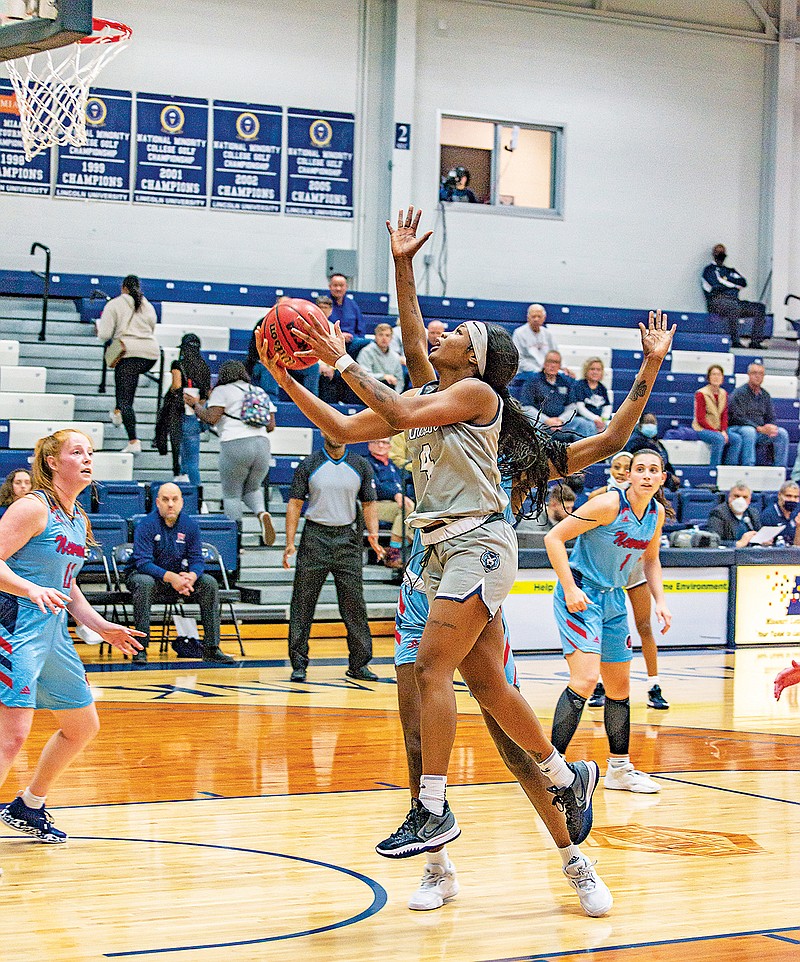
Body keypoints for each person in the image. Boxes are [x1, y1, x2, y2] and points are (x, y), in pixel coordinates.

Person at [257, 205, 675, 857]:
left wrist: (649, 368)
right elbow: (345, 427)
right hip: (438, 555)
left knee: (430, 671)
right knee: (485, 686)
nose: (444, 333)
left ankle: (434, 810)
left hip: (477, 546)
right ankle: (571, 775)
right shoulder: (431, 399)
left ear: (475, 359)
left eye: (461, 332)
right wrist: (292, 377)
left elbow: (614, 437)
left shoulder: (477, 396)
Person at [0, 430, 143, 847]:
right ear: (50, 462)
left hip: (53, 633)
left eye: (90, 452)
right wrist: (28, 589)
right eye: (76, 452)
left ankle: (29, 805)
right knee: (12, 736)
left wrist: (101, 626)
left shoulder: (77, 517)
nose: (87, 459)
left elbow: (68, 585)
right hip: (15, 627)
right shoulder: (31, 507)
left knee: (82, 726)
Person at [545, 449, 673, 793]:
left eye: (653, 470)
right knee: (586, 680)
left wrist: (660, 601)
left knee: (619, 689)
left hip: (614, 597)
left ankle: (619, 769)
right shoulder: (607, 505)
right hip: (583, 593)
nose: (646, 475)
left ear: (662, 478)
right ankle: (548, 771)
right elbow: (553, 538)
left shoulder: (655, 513)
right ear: (628, 475)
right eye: (640, 469)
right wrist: (570, 588)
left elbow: (651, 560)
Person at [284, 435, 381, 683]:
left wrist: (374, 536)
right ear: (323, 433)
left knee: (354, 604)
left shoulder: (360, 465)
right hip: (314, 537)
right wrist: (289, 542)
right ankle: (299, 664)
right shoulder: (309, 464)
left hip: (348, 539)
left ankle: (359, 664)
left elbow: (369, 504)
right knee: (303, 602)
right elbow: (295, 504)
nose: (335, 434)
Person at [586, 450, 669, 711]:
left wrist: (661, 600)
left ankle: (653, 684)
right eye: (617, 466)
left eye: (626, 466)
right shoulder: (600, 499)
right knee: (600, 631)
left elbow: (652, 557)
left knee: (644, 625)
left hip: (633, 569)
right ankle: (600, 682)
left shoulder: (652, 507)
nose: (622, 471)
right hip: (604, 573)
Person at [125, 483, 234, 665]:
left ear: (181, 502)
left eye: (174, 500)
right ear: (157, 502)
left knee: (209, 583)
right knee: (144, 582)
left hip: (178, 578)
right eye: (166, 500)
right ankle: (141, 649)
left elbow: (197, 559)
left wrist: (191, 576)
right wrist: (172, 578)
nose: (170, 504)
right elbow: (143, 563)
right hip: (144, 576)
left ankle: (211, 648)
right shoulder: (146, 525)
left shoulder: (189, 525)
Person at [190, 361, 276, 546]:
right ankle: (262, 513)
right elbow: (270, 426)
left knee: (231, 495)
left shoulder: (223, 390)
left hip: (235, 444)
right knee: (252, 489)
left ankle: (234, 543)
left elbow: (211, 418)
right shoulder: (259, 391)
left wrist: (195, 406)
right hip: (262, 446)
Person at [97, 274, 160, 456]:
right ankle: (117, 414)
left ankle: (133, 440)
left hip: (128, 353)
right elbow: (151, 328)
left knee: (125, 400)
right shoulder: (147, 305)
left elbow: (105, 334)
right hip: (150, 354)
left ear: (123, 287)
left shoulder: (115, 304)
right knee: (126, 389)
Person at [701, 244, 766, 349]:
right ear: (713, 254)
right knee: (732, 306)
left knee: (759, 308)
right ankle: (735, 341)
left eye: (723, 252)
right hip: (717, 303)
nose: (721, 255)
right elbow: (717, 284)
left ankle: (755, 342)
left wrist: (729, 284)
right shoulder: (709, 270)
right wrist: (733, 286)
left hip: (735, 301)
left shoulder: (730, 271)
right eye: (718, 252)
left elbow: (743, 282)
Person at [519, 351, 594, 440]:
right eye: (550, 361)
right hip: (540, 423)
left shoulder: (566, 381)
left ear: (560, 366)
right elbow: (526, 407)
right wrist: (547, 420)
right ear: (544, 364)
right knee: (533, 428)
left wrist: (561, 420)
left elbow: (572, 407)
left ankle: (585, 453)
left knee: (586, 424)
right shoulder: (532, 381)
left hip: (562, 423)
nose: (553, 365)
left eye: (556, 362)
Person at [365, 438, 414, 569]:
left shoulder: (393, 465)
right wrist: (396, 494)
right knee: (406, 509)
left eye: (385, 443)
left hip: (395, 505)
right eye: (377, 442)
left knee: (418, 514)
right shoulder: (366, 463)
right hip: (373, 506)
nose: (381, 445)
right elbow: (375, 488)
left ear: (390, 446)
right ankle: (393, 554)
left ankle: (393, 549)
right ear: (369, 445)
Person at [728, 364, 789, 471]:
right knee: (749, 431)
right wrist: (758, 428)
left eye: (760, 374)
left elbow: (771, 416)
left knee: (781, 433)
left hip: (760, 431)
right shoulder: (739, 393)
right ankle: (748, 467)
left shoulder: (765, 395)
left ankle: (779, 469)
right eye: (754, 373)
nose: (757, 376)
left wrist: (771, 427)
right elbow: (737, 417)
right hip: (739, 428)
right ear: (749, 375)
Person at [168, 333, 210, 486]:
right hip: (195, 416)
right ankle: (197, 497)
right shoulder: (204, 367)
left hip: (180, 414)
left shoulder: (178, 365)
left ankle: (195, 496)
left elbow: (176, 386)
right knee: (192, 461)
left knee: (184, 462)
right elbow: (207, 394)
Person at [692, 364, 742, 468]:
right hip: (702, 429)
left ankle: (730, 467)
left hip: (718, 429)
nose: (716, 377)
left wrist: (723, 430)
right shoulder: (701, 393)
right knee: (719, 439)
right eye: (713, 374)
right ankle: (714, 469)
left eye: (719, 375)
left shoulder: (724, 393)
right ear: (709, 377)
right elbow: (700, 419)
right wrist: (717, 432)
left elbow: (724, 415)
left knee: (736, 439)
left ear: (722, 378)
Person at [625, 413, 680, 491]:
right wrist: (670, 477)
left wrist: (672, 476)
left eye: (653, 422)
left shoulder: (657, 443)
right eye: (647, 422)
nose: (650, 425)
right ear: (640, 425)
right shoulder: (635, 442)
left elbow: (666, 463)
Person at [357, 323, 405, 393]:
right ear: (375, 336)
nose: (384, 338)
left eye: (387, 335)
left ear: (391, 338)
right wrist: (383, 377)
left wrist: (396, 397)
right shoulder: (366, 352)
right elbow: (363, 376)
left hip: (390, 394)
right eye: (381, 335)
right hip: (369, 390)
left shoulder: (395, 356)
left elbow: (400, 380)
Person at [512, 304, 558, 378]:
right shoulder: (519, 333)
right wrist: (538, 370)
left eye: (539, 317)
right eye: (533, 316)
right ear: (528, 318)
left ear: (544, 318)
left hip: (546, 371)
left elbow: (555, 354)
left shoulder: (548, 334)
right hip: (527, 372)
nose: (536, 319)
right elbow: (518, 359)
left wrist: (563, 367)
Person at [328, 273, 368, 357]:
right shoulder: (324, 304)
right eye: (335, 285)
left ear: (346, 287)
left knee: (371, 344)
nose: (338, 288)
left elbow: (360, 328)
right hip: (332, 344)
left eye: (341, 285)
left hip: (353, 343)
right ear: (330, 286)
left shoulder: (352, 304)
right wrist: (340, 336)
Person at [571, 357, 612, 434]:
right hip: (583, 419)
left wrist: (603, 420)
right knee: (588, 426)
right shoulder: (579, 385)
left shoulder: (602, 388)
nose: (595, 372)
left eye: (598, 369)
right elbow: (580, 408)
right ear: (586, 370)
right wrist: (595, 419)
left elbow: (607, 407)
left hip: (599, 421)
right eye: (592, 369)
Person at [760, 480, 800, 546]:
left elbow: (798, 546)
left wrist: (799, 527)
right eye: (788, 496)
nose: (792, 500)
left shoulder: (797, 513)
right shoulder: (768, 515)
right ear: (779, 495)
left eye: (796, 497)